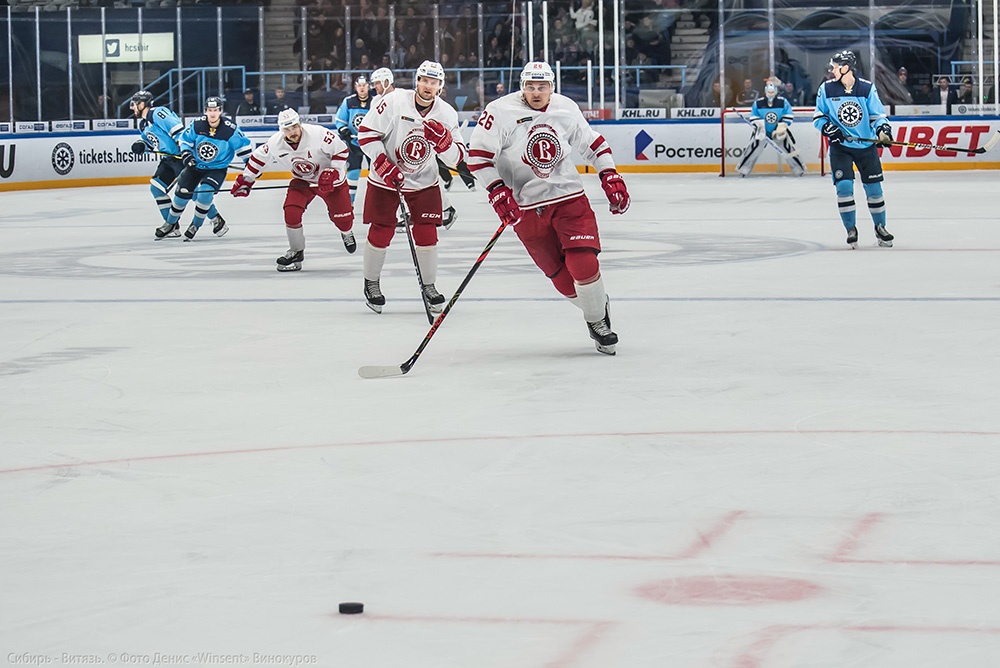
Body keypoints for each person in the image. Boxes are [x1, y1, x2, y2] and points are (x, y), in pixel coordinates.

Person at [467, 61, 631, 355]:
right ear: (522, 86)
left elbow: (592, 144)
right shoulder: (500, 112)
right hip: (526, 208)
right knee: (561, 278)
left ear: (551, 87)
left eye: (542, 86)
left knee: (583, 263)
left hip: (569, 197)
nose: (536, 92)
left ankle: (597, 322)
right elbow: (478, 158)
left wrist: (609, 174)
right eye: (530, 86)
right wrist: (497, 191)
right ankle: (596, 306)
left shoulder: (565, 107)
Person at [356, 60, 467, 315]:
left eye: (434, 82)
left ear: (441, 86)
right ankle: (371, 282)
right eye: (424, 80)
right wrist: (383, 163)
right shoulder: (394, 101)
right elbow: (366, 134)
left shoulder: (447, 113)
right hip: (387, 179)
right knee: (381, 230)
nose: (428, 86)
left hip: (424, 180)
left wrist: (444, 143)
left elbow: (456, 158)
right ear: (417, 81)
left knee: (427, 233)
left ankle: (429, 286)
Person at [231, 109, 355, 272]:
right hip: (303, 181)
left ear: (299, 125)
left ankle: (346, 232)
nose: (292, 132)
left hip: (332, 183)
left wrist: (333, 171)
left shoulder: (318, 134)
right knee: (291, 212)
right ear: (282, 130)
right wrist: (246, 180)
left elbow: (341, 150)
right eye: (287, 129)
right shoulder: (275, 142)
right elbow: (258, 159)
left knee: (343, 220)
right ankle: (296, 251)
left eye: (294, 127)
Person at [812, 50, 894, 249]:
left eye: (836, 67)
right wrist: (829, 128)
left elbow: (878, 115)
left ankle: (880, 227)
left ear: (846, 67)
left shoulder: (866, 88)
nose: (832, 71)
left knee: (874, 190)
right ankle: (851, 229)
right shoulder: (827, 89)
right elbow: (818, 117)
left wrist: (883, 130)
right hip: (840, 147)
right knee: (844, 188)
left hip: (866, 147)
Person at [128, 89, 225, 239]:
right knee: (156, 188)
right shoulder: (143, 124)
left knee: (189, 191)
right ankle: (172, 226)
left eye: (135, 104)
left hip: (180, 157)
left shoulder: (158, 113)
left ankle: (216, 219)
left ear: (143, 104)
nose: (133, 107)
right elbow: (150, 141)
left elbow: (179, 131)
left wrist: (186, 151)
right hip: (167, 160)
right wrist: (141, 144)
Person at [166, 97, 252, 241]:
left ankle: (195, 225)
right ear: (206, 111)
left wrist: (252, 166)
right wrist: (187, 154)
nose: (213, 114)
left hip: (216, 169)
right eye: (210, 110)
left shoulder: (230, 129)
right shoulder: (197, 125)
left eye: (216, 110)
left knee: (204, 194)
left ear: (220, 111)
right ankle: (170, 224)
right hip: (195, 166)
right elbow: (184, 140)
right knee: (181, 195)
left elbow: (243, 148)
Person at [736, 79, 805, 177]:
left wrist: (782, 126)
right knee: (753, 148)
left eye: (772, 92)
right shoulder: (758, 103)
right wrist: (760, 126)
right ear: (765, 91)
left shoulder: (782, 102)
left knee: (788, 148)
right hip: (762, 131)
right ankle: (743, 169)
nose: (771, 94)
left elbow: (788, 114)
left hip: (778, 131)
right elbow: (754, 116)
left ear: (776, 92)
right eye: (769, 92)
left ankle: (799, 169)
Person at [335, 75, 373, 204]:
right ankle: (349, 204)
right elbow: (340, 121)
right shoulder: (348, 102)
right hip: (353, 142)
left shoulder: (375, 102)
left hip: (371, 143)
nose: (362, 88)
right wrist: (343, 130)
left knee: (376, 174)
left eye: (364, 86)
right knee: (353, 173)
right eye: (359, 86)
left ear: (368, 87)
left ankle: (375, 203)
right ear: (356, 87)